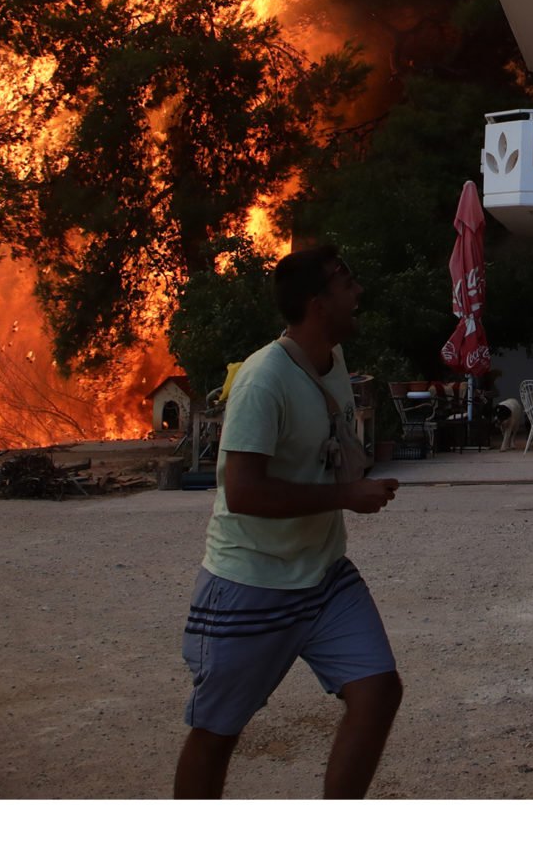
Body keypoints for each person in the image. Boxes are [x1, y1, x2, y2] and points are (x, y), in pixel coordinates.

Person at [173, 243, 403, 798]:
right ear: (317, 302)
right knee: (217, 732)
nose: (359, 293)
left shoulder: (333, 359)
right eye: (346, 282)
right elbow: (244, 493)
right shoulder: (263, 380)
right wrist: (347, 493)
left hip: (323, 576)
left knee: (378, 691)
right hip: (251, 582)